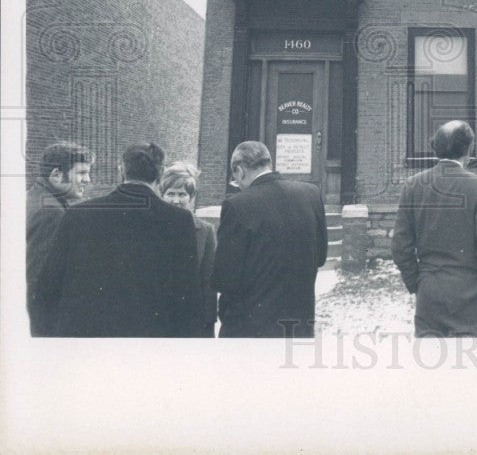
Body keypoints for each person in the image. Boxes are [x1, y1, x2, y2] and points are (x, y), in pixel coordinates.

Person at [33, 143, 201, 337]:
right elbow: (188, 298)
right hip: (148, 341)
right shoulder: (179, 221)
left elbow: (48, 288)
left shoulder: (78, 215)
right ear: (161, 173)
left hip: (86, 342)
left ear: (121, 170)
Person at [391, 120, 477, 337]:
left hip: (430, 299)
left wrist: (419, 284)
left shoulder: (413, 186)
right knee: (474, 367)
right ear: (468, 150)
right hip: (474, 299)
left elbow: (399, 247)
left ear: (436, 148)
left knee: (433, 366)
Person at [211, 141, 328, 338]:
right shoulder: (311, 194)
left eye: (235, 179)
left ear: (239, 171)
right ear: (268, 163)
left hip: (249, 329)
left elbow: (225, 278)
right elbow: (321, 257)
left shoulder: (236, 205)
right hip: (298, 324)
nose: (237, 184)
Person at [26, 142, 93, 335]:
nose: (87, 180)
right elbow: (38, 281)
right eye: (81, 173)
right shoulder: (52, 213)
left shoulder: (36, 197)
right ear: (56, 175)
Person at [160, 162, 217, 337]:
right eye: (170, 194)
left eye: (182, 194)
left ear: (191, 197)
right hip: (159, 317)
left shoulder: (206, 231)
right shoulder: (152, 228)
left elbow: (209, 281)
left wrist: (208, 324)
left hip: (191, 319)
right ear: (161, 195)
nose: (176, 200)